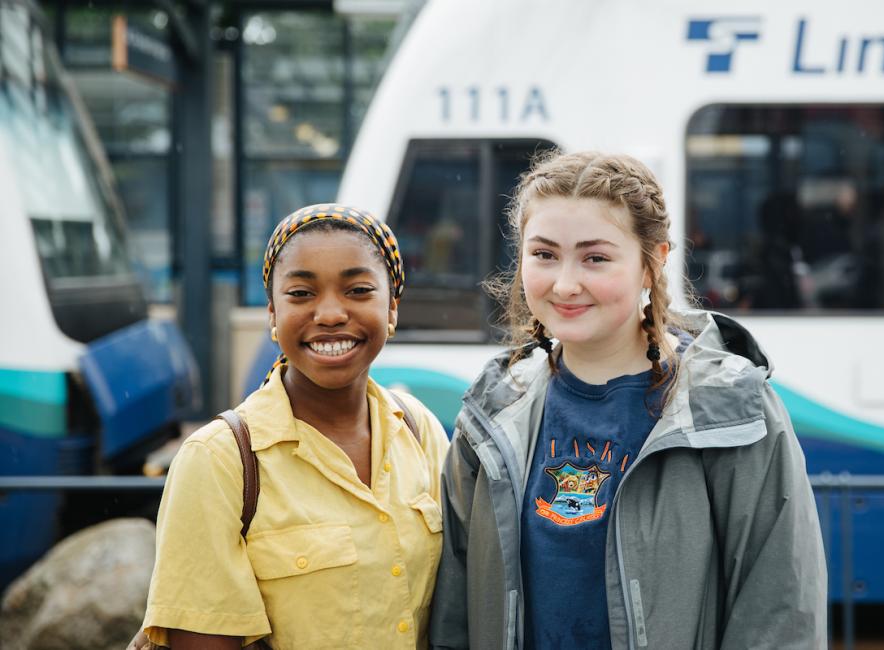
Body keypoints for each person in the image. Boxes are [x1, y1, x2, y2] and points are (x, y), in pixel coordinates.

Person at [429, 152, 827, 649]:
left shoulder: (729, 407)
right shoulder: (490, 414)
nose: (566, 283)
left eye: (595, 258)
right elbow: (454, 614)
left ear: (652, 262)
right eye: (544, 254)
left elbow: (780, 609)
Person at [136, 204, 448, 649]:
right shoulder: (220, 462)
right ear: (272, 314)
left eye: (358, 290)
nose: (330, 313)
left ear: (392, 308)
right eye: (301, 294)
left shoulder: (420, 431)